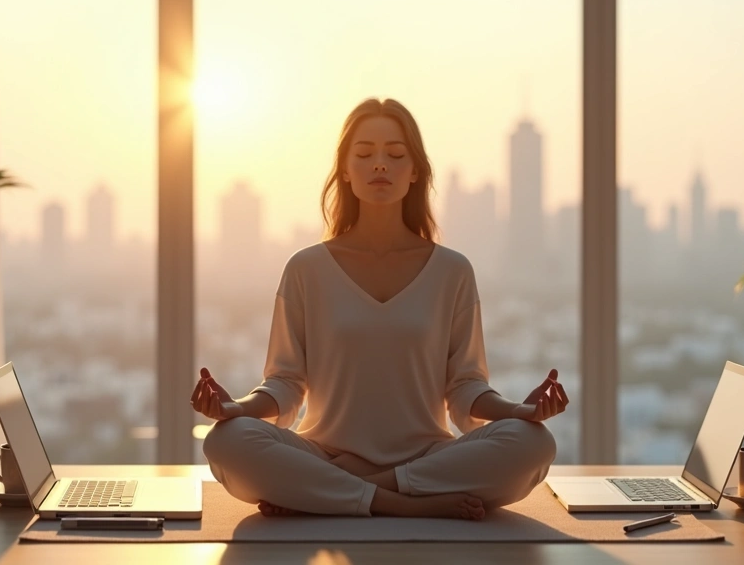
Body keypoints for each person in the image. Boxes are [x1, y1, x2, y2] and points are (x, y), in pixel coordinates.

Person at [194, 98, 567, 520]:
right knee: (224, 442)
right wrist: (236, 409)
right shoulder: (306, 268)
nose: (379, 165)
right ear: (346, 172)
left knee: (536, 444)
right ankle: (399, 502)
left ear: (415, 173)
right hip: (324, 454)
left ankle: (350, 493)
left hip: (425, 456)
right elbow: (284, 382)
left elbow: (464, 388)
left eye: (394, 154)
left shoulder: (452, 271)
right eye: (365, 154)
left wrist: (521, 411)